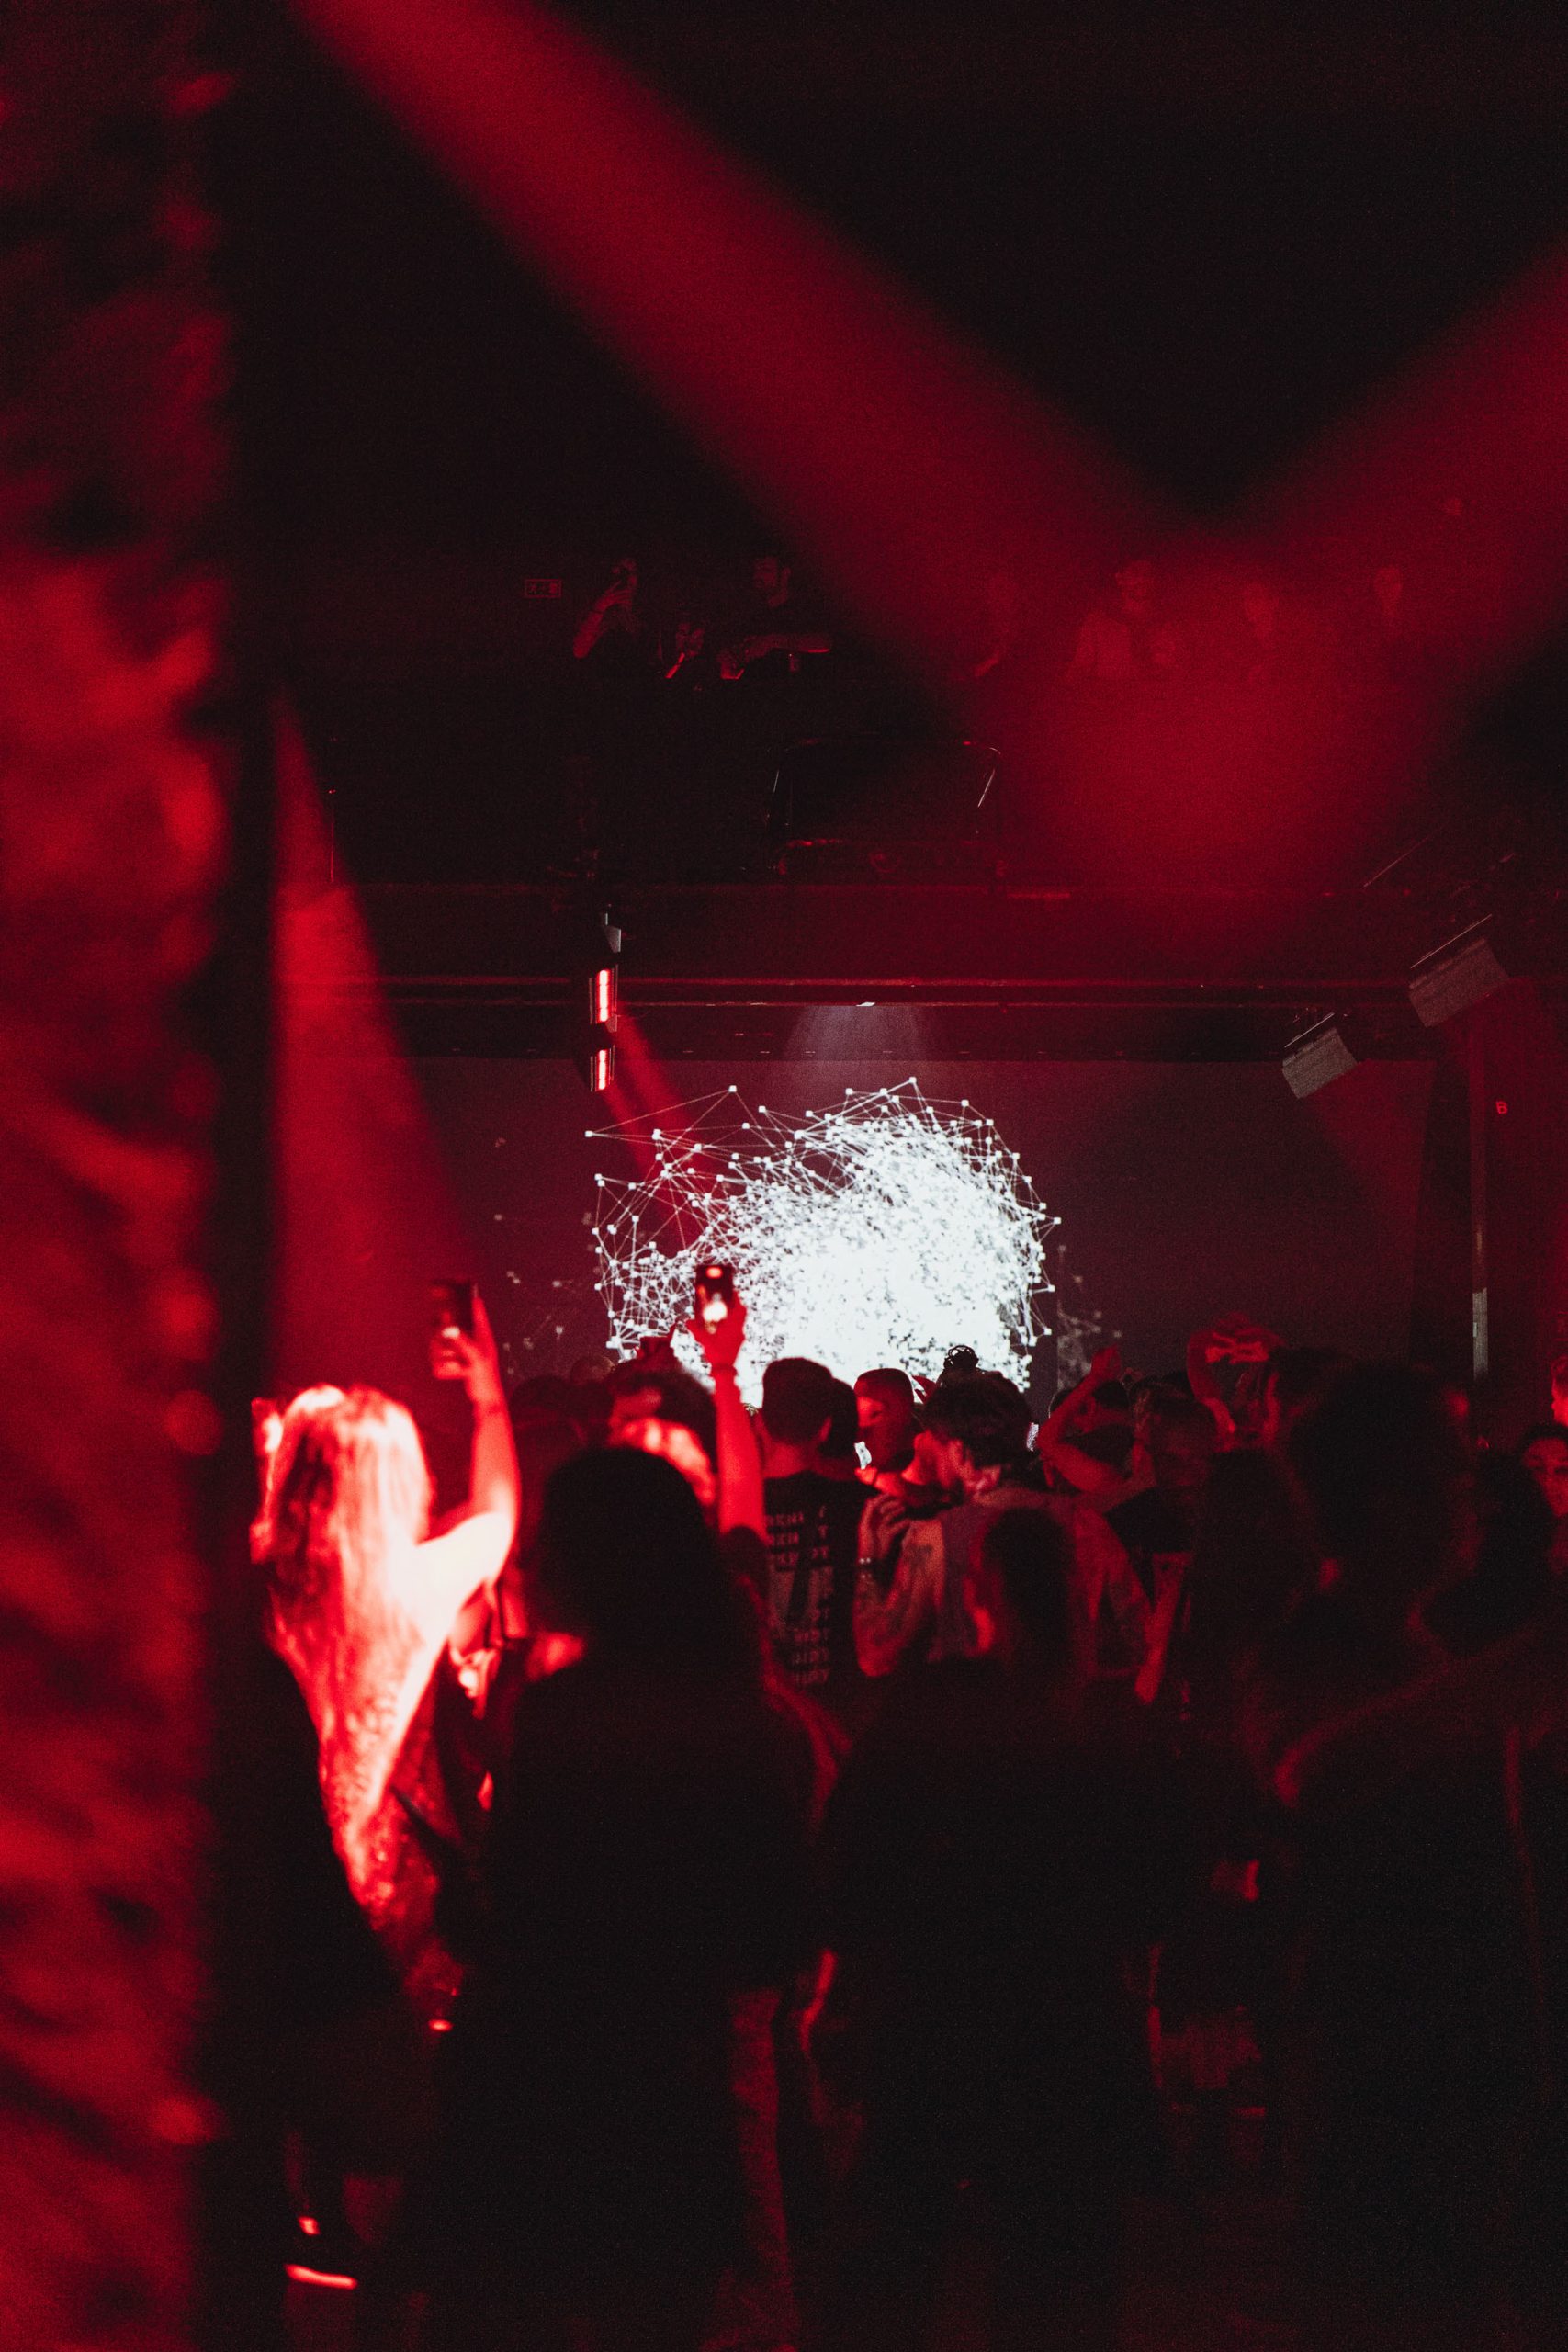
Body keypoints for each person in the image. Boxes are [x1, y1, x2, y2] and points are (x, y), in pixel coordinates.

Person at [423, 1448, 815, 2352]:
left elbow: (515, 1924)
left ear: (591, 1564)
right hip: (676, 2100)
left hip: (546, 2096)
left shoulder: (564, 1716)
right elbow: (779, 1934)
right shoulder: (744, 1721)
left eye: (549, 1544)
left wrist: (458, 1899)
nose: (532, 1564)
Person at [1244, 1364, 1568, 2343]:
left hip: (1461, 2071)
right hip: (1385, 2078)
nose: (1478, 1503)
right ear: (1390, 1504)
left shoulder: (1424, 1648)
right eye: (1453, 1478)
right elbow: (1310, 1771)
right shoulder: (1319, 1645)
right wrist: (1519, 1668)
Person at [818, 1504, 1173, 2351]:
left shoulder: (932, 1709)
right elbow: (1155, 1886)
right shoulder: (1105, 1721)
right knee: (1057, 2273)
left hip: (932, 2009)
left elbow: (849, 1859)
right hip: (1066, 2021)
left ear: (977, 1592)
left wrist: (863, 1968)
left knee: (897, 2258)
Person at [254, 1303, 519, 2011]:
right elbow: (498, 1515)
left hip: (280, 1877)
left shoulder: (252, 1592)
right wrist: (487, 1396)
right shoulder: (415, 1588)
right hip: (394, 1894)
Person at [853, 1371, 1146, 1685]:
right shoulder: (1085, 1524)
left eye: (938, 1445)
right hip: (1067, 1709)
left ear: (959, 1452)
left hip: (974, 1713)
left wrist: (868, 1561)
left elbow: (876, 1655)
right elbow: (1138, 1638)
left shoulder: (936, 1538)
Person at [759, 1355, 868, 1713]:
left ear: (761, 1423)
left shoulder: (732, 1512)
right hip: (840, 1707)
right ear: (825, 1428)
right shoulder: (865, 1507)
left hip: (759, 1708)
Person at [1066, 557, 1184, 686]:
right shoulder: (1098, 623)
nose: (1142, 579)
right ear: (1120, 579)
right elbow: (1079, 672)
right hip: (1109, 697)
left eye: (1148, 573)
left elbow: (1181, 672)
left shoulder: (1170, 625)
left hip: (1158, 697)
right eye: (1135, 572)